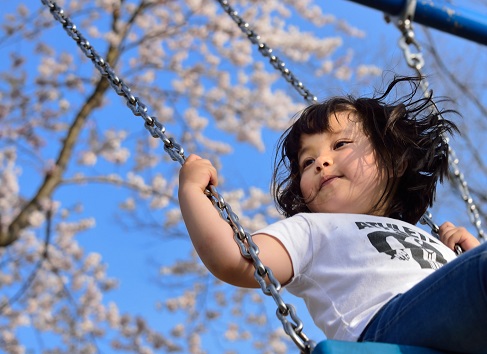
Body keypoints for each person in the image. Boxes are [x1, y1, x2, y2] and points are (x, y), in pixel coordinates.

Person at [178, 76, 486, 353]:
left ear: (394, 161)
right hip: (388, 330)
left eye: (340, 144)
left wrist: (465, 255)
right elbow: (237, 259)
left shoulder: (423, 234)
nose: (320, 162)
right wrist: (192, 191)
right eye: (307, 162)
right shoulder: (313, 229)